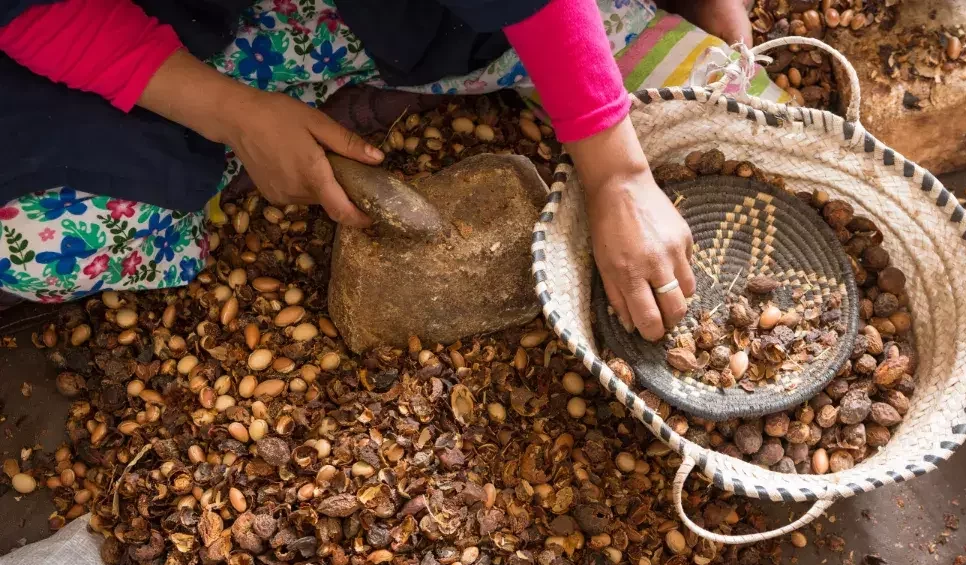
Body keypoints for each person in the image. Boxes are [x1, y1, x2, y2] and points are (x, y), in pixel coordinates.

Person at [0, 0, 751, 340]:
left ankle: (358, 81)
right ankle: (294, 107)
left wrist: (616, 172)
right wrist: (233, 113)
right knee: (33, 238)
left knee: (636, 43)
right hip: (170, 27)